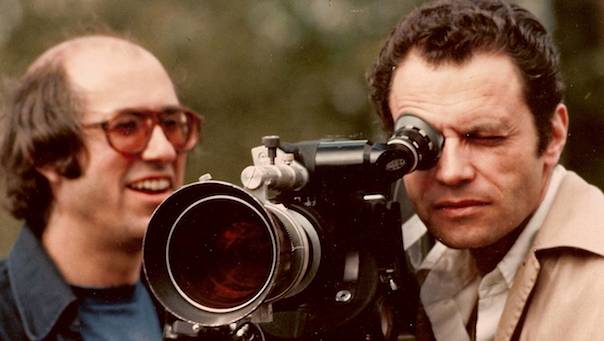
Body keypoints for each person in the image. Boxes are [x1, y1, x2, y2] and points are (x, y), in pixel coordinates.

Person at [368, 0, 604, 340]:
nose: (451, 172)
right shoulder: (424, 273)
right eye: (421, 143)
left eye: (485, 138)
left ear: (553, 136)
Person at [0, 34, 202, 340]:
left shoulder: (218, 306)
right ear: (47, 154)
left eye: (172, 123)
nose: (164, 151)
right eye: (127, 126)